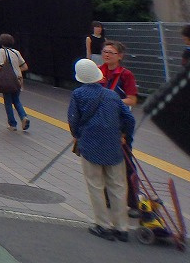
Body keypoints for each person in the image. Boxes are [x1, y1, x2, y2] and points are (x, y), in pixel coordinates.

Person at [68, 58, 135, 242]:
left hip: (90, 145)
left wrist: (76, 134)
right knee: (118, 186)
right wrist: (124, 135)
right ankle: (122, 228)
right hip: (114, 146)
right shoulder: (112, 95)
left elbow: (73, 119)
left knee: (96, 186)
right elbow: (129, 119)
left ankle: (103, 226)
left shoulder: (78, 94)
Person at [98, 39, 139, 215]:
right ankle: (107, 198)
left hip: (121, 122)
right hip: (101, 121)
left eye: (111, 52)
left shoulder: (125, 75)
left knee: (126, 161)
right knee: (102, 160)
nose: (106, 54)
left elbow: (132, 99)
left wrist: (113, 101)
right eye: (105, 51)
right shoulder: (98, 72)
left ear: (120, 56)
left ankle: (134, 202)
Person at [0, 33, 30, 131]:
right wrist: (16, 70)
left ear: (1, 42)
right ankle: (24, 117)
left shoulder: (1, 51)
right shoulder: (16, 52)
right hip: (18, 80)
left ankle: (12, 124)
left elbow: (0, 66)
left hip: (8, 81)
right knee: (16, 100)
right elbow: (25, 67)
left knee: (8, 101)